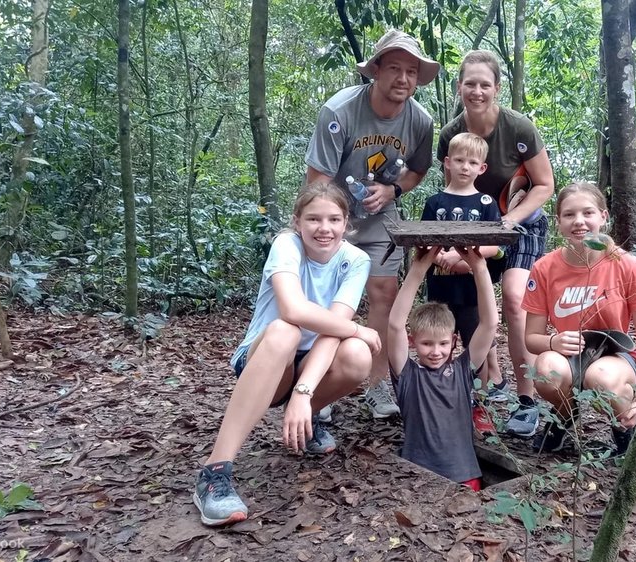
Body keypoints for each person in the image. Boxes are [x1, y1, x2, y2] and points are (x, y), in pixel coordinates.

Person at [192, 183, 381, 526]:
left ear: (346, 222)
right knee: (286, 330)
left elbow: (333, 330)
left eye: (334, 219)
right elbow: (292, 309)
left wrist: (304, 395)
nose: (324, 228)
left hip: (313, 365)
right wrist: (357, 327)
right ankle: (214, 472)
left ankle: (308, 418)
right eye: (314, 219)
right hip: (267, 357)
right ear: (297, 222)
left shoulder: (356, 260)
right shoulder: (286, 244)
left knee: (357, 355)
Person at [306, 29, 440, 420]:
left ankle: (378, 384)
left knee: (384, 293)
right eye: (395, 68)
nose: (403, 79)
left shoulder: (420, 120)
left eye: (411, 71)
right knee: (325, 298)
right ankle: (319, 383)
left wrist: (392, 191)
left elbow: (417, 169)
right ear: (375, 71)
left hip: (380, 219)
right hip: (332, 217)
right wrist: (331, 226)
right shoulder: (340, 112)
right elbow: (318, 181)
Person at [437, 49, 556, 437]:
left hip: (520, 225)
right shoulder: (450, 134)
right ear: (459, 87)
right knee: (468, 304)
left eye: (484, 84)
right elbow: (449, 190)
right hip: (472, 230)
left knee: (513, 300)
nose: (476, 91)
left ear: (497, 88)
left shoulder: (518, 128)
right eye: (469, 83)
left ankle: (526, 401)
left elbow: (544, 185)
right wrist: (450, 247)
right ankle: (489, 383)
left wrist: (508, 221)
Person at [521, 182, 636, 455]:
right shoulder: (545, 268)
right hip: (568, 354)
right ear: (558, 221)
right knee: (545, 371)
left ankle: (624, 426)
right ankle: (565, 416)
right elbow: (531, 339)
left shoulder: (627, 265)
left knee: (602, 379)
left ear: (603, 217)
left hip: (615, 357)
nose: (579, 222)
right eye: (569, 215)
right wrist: (553, 341)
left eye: (588, 213)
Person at [388, 245, 498, 491]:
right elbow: (395, 324)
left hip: (466, 476)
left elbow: (490, 324)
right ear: (412, 341)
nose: (435, 351)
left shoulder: (462, 371)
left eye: (443, 343)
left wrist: (479, 268)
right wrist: (419, 268)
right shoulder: (407, 375)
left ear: (454, 342)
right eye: (427, 344)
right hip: (417, 479)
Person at [420, 132, 504, 434]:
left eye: (472, 162)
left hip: (472, 292)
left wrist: (465, 258)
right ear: (447, 163)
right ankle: (438, 398)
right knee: (439, 345)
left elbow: (496, 244)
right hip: (440, 289)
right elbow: (424, 242)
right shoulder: (435, 202)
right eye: (459, 160)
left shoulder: (486, 203)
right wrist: (440, 255)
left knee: (475, 346)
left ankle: (479, 404)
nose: (465, 167)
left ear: (482, 168)